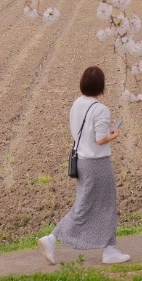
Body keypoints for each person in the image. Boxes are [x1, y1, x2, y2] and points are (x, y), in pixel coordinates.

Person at [39, 66, 130, 266]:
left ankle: (54, 239)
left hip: (82, 161)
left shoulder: (77, 104)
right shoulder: (100, 109)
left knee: (84, 204)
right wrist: (114, 134)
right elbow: (100, 139)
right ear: (101, 86)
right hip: (98, 164)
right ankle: (108, 251)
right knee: (104, 204)